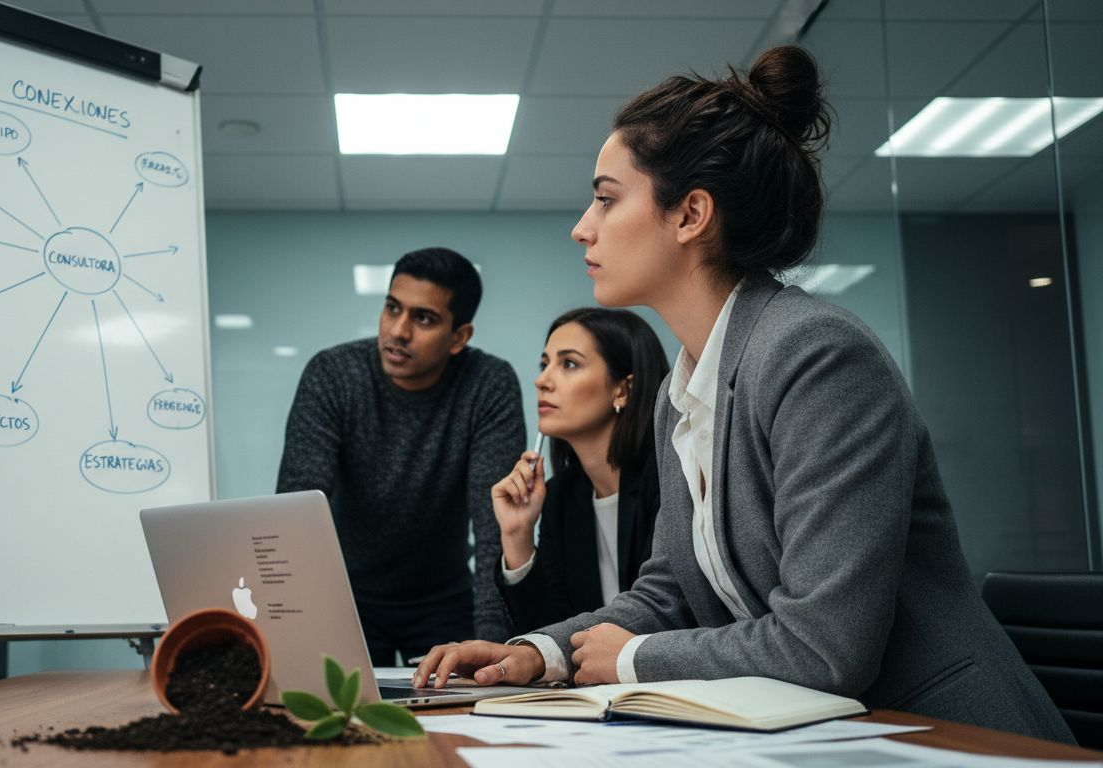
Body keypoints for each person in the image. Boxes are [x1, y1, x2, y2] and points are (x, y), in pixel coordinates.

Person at [413, 46, 1074, 743]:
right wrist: (537, 654)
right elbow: (670, 592)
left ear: (691, 214)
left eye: (607, 198)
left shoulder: (817, 355)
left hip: (953, 738)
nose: (584, 225)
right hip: (835, 738)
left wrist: (633, 659)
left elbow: (824, 647)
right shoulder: (682, 390)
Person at [277, 247, 525, 665]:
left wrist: (493, 654)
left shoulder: (489, 384)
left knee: (462, 711)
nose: (398, 331)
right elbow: (296, 512)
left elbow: (493, 527)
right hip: (343, 596)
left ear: (460, 337)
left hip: (443, 599)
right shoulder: (333, 375)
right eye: (392, 308)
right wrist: (292, 630)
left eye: (423, 318)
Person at [493, 308, 669, 635]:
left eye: (569, 364)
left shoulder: (666, 479)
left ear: (623, 390)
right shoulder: (562, 495)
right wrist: (517, 536)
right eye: (545, 364)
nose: (542, 380)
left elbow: (669, 616)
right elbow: (546, 638)